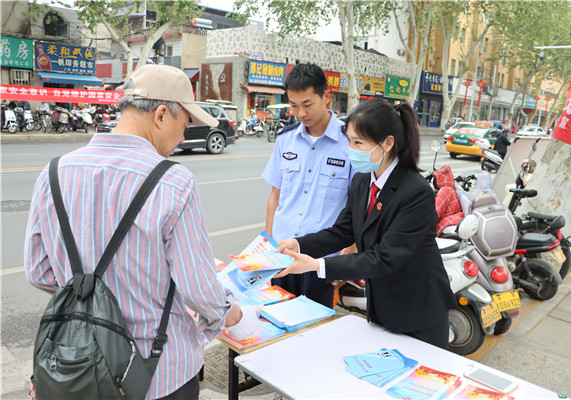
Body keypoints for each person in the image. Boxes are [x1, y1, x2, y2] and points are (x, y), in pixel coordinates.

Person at [24, 64, 261, 400]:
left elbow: (40, 273)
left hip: (75, 368)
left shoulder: (52, 174)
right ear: (162, 115)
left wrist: (97, 304)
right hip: (157, 372)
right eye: (185, 124)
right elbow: (198, 290)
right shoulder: (173, 181)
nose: (183, 137)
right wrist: (236, 316)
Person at [274, 99, 456, 349]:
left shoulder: (416, 192)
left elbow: (384, 258)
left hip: (417, 310)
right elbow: (342, 231)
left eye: (358, 142)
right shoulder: (362, 180)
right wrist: (297, 244)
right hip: (381, 304)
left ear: (388, 143)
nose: (350, 149)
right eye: (348, 140)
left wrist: (317, 265)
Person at [262, 63, 354, 307]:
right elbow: (275, 196)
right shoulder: (285, 140)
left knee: (313, 334)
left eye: (307, 104)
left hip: (321, 261)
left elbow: (358, 207)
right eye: (294, 105)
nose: (300, 113)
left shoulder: (351, 142)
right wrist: (268, 243)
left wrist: (348, 255)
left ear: (326, 96)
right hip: (281, 255)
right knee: (274, 326)